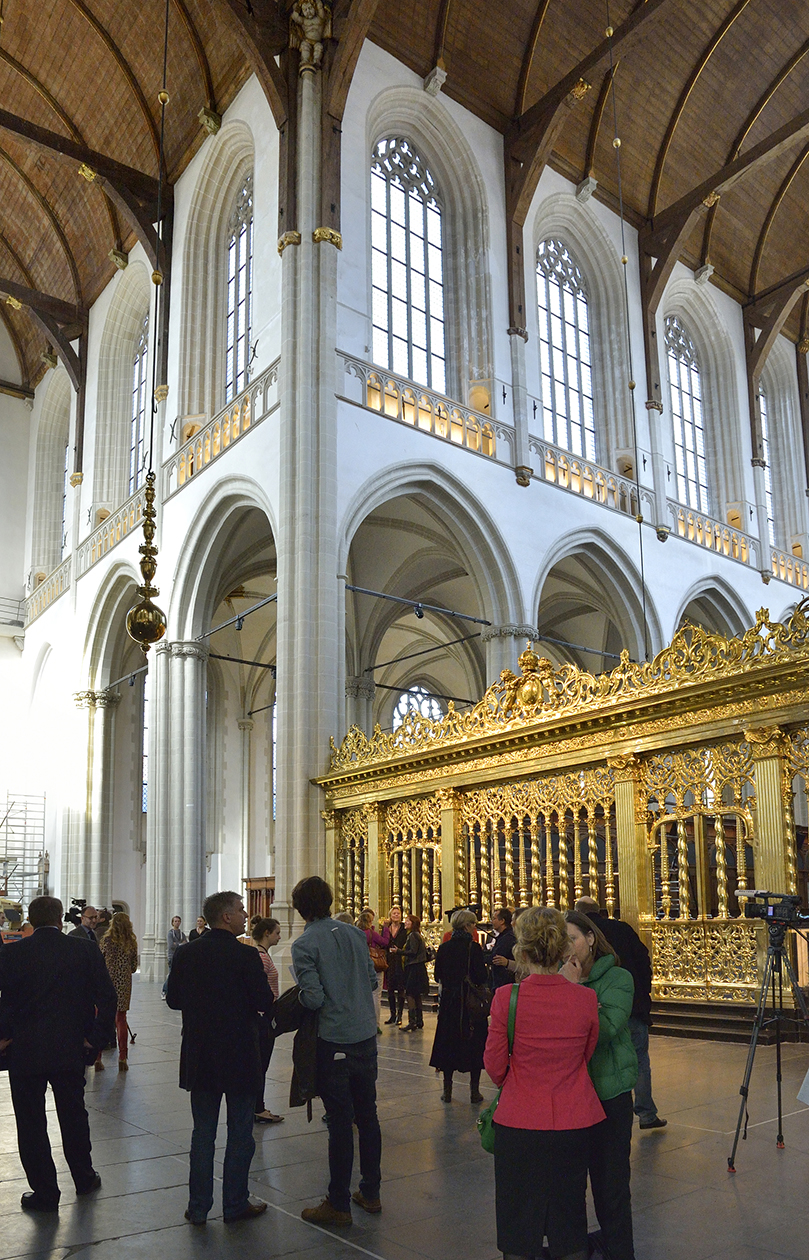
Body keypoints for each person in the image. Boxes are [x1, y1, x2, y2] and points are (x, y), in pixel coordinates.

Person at [485, 906, 604, 1260]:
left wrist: (519, 1082)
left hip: (519, 1121)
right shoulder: (585, 998)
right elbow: (586, 1054)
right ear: (564, 950)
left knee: (518, 1221)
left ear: (521, 951)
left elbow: (494, 1065)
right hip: (573, 1120)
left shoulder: (506, 998)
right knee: (569, 1217)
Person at [0, 895, 116, 1212]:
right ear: (60, 918)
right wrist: (95, 1039)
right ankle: (84, 1178)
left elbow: (5, 1000)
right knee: (73, 1116)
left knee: (31, 1123)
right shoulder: (84, 950)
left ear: (31, 919)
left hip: (24, 1050)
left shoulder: (12, 952)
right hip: (70, 1047)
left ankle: (45, 1192)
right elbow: (108, 998)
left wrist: (3, 1036)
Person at [166, 890, 272, 1225]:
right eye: (241, 910)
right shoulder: (246, 955)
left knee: (203, 1133)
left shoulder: (186, 953)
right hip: (239, 1053)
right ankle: (235, 1204)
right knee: (240, 1132)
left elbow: (173, 999)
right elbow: (264, 1000)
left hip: (201, 1053)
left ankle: (198, 1207)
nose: (245, 915)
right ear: (226, 917)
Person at [291, 875, 382, 1226]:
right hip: (365, 1037)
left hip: (334, 1041)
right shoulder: (356, 934)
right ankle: (370, 1192)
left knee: (340, 1123)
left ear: (300, 909)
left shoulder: (304, 944)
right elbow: (371, 981)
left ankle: (339, 1202)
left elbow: (313, 998)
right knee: (368, 1116)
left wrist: (297, 998)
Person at [565, 910, 638, 1260]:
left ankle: (620, 1251)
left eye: (573, 939)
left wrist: (573, 990)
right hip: (572, 1096)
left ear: (591, 938)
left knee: (611, 1185)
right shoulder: (560, 978)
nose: (567, 948)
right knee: (570, 1185)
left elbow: (605, 1029)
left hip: (609, 1094)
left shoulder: (618, 978)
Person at [574, 896, 666, 1130]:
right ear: (599, 910)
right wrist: (642, 993)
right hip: (633, 1005)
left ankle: (596, 1108)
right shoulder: (622, 928)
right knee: (639, 1059)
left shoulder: (579, 938)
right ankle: (646, 1112)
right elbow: (643, 960)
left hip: (600, 1005)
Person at [430, 908, 488, 1102]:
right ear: (466, 926)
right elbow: (481, 976)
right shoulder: (474, 948)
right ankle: (474, 1092)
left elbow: (437, 975)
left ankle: (447, 1091)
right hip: (469, 1004)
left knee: (448, 1044)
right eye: (473, 924)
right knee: (474, 1045)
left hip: (449, 1003)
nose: (474, 928)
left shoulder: (444, 948)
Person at [251, 916, 283, 1124]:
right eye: (277, 933)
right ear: (267, 933)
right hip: (264, 1016)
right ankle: (258, 1107)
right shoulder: (261, 958)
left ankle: (257, 1105)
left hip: (265, 1014)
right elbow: (259, 987)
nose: (279, 936)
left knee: (261, 1063)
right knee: (261, 1063)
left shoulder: (263, 955)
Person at [98, 912, 138, 1072]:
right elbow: (134, 967)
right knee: (121, 1019)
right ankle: (122, 1057)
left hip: (106, 983)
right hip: (123, 985)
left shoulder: (106, 940)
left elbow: (99, 961)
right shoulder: (131, 942)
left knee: (102, 1019)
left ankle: (97, 1058)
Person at [357, 909, 389, 1033]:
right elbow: (385, 942)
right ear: (369, 922)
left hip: (361, 966)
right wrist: (385, 929)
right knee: (376, 995)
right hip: (374, 966)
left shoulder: (357, 933)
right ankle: (375, 1024)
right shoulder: (371, 933)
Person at [402, 913, 429, 1032]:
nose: (405, 922)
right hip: (419, 967)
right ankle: (419, 1020)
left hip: (414, 968)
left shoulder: (413, 935)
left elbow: (412, 952)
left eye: (408, 921)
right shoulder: (418, 935)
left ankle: (412, 1021)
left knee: (410, 993)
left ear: (413, 924)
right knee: (417, 994)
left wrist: (398, 951)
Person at [381, 904, 408, 1025]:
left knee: (401, 989)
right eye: (394, 913)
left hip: (400, 959)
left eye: (398, 913)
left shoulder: (404, 928)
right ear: (390, 916)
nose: (396, 915)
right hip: (390, 960)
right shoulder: (387, 928)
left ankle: (400, 1015)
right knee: (390, 988)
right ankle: (392, 1014)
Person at [488, 907, 516, 990]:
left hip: (504, 982)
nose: (492, 921)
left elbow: (496, 957)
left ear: (502, 921)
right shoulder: (504, 936)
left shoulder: (508, 937)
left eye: (494, 919)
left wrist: (479, 956)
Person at [162, 915, 187, 999]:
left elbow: (186, 944)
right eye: (175, 921)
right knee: (171, 974)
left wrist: (177, 944)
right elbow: (171, 946)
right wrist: (180, 944)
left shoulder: (181, 934)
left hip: (180, 956)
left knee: (179, 975)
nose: (177, 923)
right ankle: (164, 991)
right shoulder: (170, 933)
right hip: (172, 956)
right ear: (172, 923)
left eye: (178, 921)